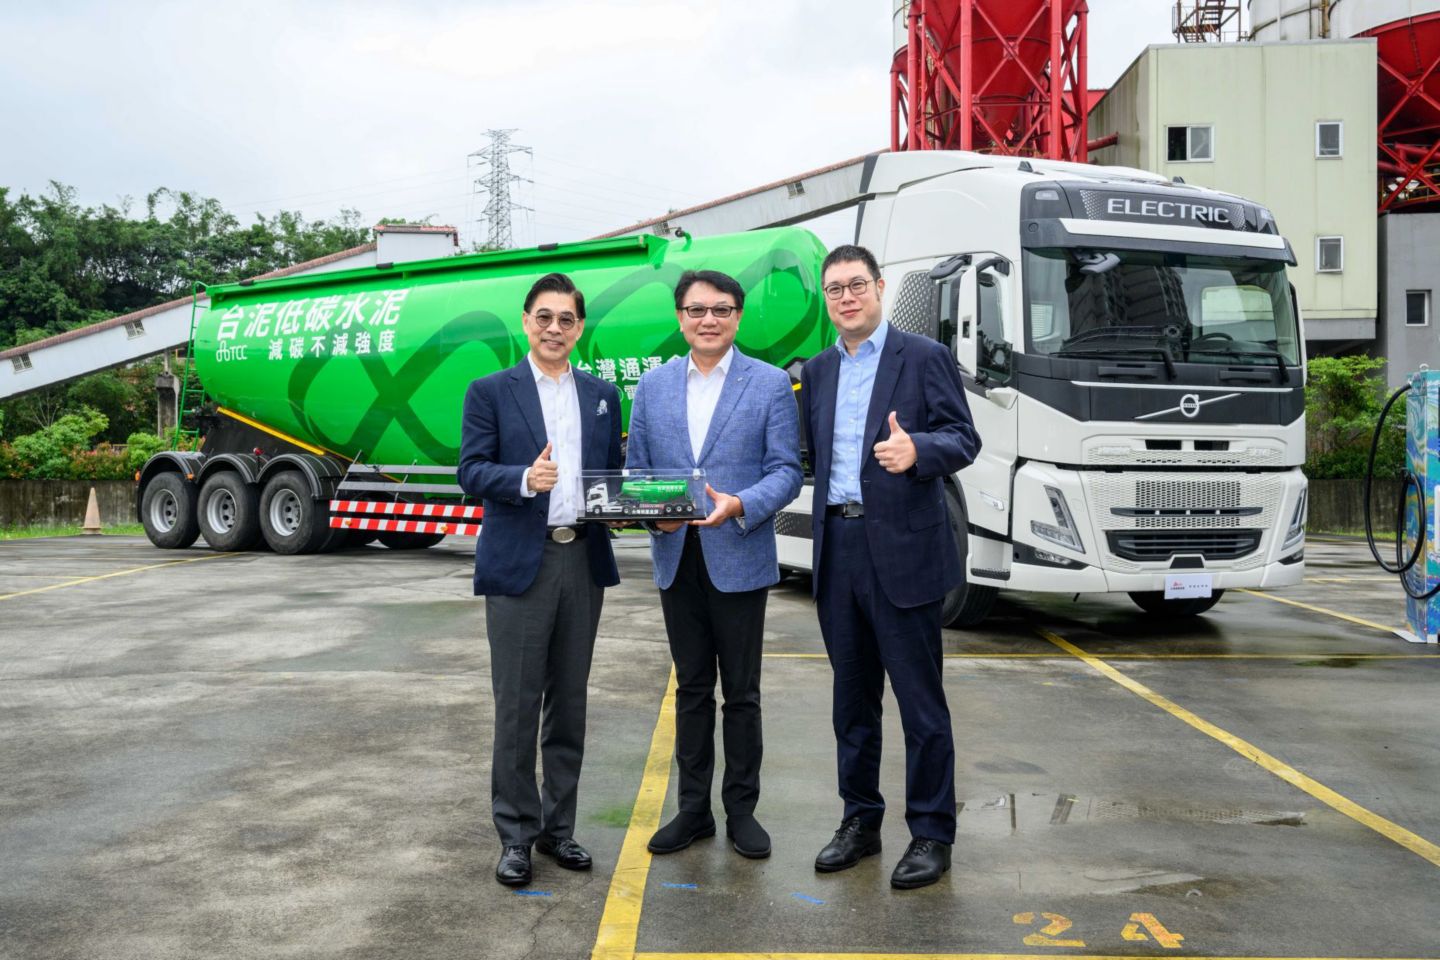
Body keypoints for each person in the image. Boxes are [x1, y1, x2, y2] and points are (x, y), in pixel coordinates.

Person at [798, 244, 981, 890]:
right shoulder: (818, 371)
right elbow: (810, 456)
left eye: (857, 285)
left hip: (904, 551)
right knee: (852, 704)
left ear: (879, 287)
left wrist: (918, 450)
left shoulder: (923, 357)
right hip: (838, 548)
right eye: (835, 289)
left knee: (920, 705)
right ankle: (860, 821)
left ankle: (931, 832)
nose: (846, 297)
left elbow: (964, 437)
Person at [626, 269, 802, 860]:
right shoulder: (653, 386)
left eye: (721, 309)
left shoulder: (769, 383)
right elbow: (637, 473)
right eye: (697, 310)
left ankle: (742, 811)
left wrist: (741, 504)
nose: (709, 319)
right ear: (680, 318)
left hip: (740, 556)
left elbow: (786, 470)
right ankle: (693, 810)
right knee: (692, 689)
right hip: (677, 558)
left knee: (742, 694)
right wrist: (656, 518)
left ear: (737, 316)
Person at [457, 272, 623, 887]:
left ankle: (559, 829)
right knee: (518, 706)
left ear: (580, 328)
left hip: (582, 561)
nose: (555, 328)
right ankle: (516, 836)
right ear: (526, 321)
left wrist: (634, 508)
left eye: (567, 319)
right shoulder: (490, 391)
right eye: (544, 317)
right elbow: (471, 471)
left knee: (569, 704)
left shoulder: (603, 395)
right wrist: (524, 479)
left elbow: (612, 475)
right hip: (521, 565)